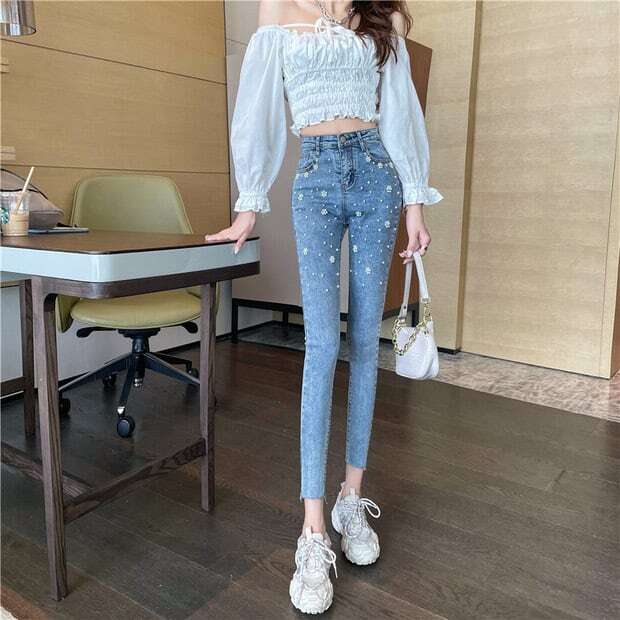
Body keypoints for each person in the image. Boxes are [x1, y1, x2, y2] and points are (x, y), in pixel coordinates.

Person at [205, 0, 443, 614]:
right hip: (314, 177)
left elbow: (401, 109)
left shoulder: (378, 14)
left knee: (365, 342)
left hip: (377, 176)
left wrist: (415, 202)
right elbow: (258, 104)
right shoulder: (278, 9)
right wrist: (249, 201)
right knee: (321, 346)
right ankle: (312, 530)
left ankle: (350, 498)